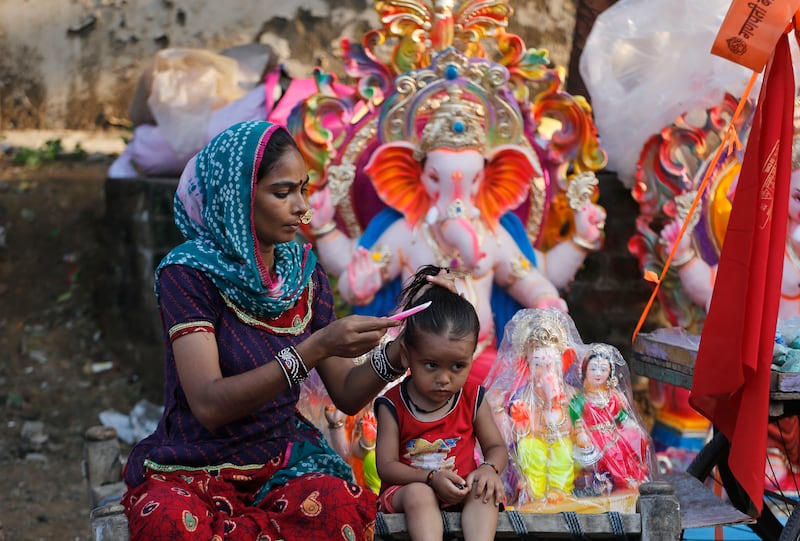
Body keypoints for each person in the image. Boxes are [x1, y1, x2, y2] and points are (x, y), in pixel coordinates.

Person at [120, 119, 426, 540]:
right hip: (192, 462)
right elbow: (208, 404)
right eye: (283, 193)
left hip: (281, 460)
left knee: (335, 507)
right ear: (238, 197)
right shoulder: (188, 273)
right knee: (169, 522)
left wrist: (399, 349)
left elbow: (348, 393)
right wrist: (312, 350)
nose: (302, 207)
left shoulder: (302, 273)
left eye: (303, 189)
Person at [373, 265, 508, 541]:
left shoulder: (472, 398)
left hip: (460, 488)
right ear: (407, 356)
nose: (444, 379)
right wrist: (430, 479)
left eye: (458, 366)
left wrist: (489, 469)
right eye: (431, 365)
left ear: (472, 356)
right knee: (420, 494)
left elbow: (495, 447)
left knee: (484, 489)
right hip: (407, 490)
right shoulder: (393, 404)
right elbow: (385, 466)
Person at [568, 344, 650, 493]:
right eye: (593, 369)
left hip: (614, 430)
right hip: (593, 435)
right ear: (585, 371)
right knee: (612, 450)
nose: (598, 373)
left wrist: (632, 426)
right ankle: (622, 480)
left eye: (603, 369)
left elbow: (621, 417)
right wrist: (580, 433)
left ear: (610, 373)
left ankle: (636, 475)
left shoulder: (614, 396)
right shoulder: (580, 399)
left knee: (637, 437)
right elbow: (575, 420)